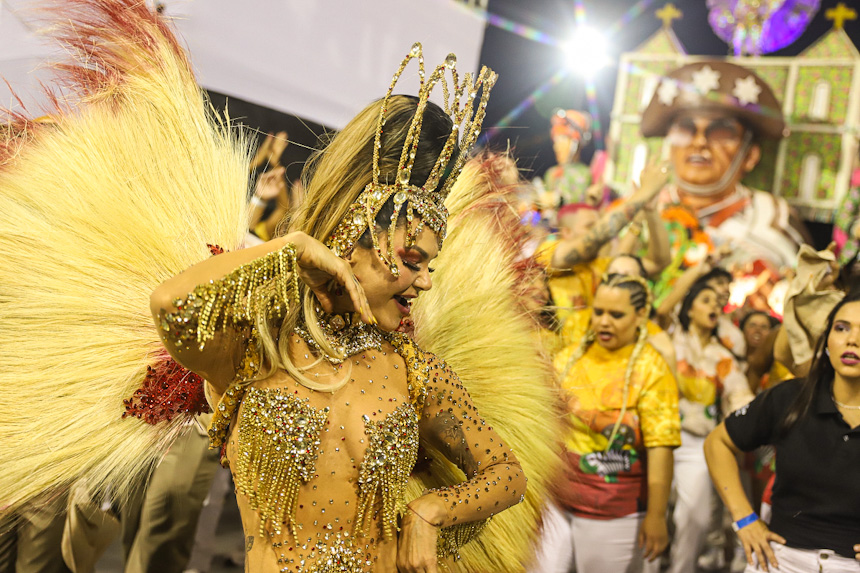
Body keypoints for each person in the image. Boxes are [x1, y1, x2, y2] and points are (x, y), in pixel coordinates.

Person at [149, 44, 529, 571]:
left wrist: (433, 510)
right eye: (412, 259)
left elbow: (506, 472)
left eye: (430, 267)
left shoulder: (413, 372)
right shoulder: (256, 347)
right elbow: (170, 305)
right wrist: (291, 248)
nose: (422, 282)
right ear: (356, 236)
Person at [705, 290, 860, 572]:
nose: (853, 340)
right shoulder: (791, 397)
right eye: (841, 328)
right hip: (779, 560)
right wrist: (744, 519)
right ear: (827, 340)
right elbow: (718, 443)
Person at [537, 274, 680, 573]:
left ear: (640, 316)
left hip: (613, 510)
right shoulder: (570, 357)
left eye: (616, 315)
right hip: (557, 501)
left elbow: (660, 448)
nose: (603, 322)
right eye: (598, 311)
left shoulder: (652, 368)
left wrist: (656, 515)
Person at [640, 61, 809, 306]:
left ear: (750, 156)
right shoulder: (641, 208)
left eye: (720, 132)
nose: (699, 143)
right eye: (686, 130)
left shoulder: (775, 216)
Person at [668, 281, 754, 573]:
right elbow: (662, 309)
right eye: (706, 300)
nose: (714, 306)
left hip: (697, 445)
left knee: (696, 518)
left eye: (718, 303)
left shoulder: (723, 356)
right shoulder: (669, 338)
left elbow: (741, 398)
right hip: (658, 439)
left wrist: (757, 418)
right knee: (651, 516)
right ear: (689, 308)